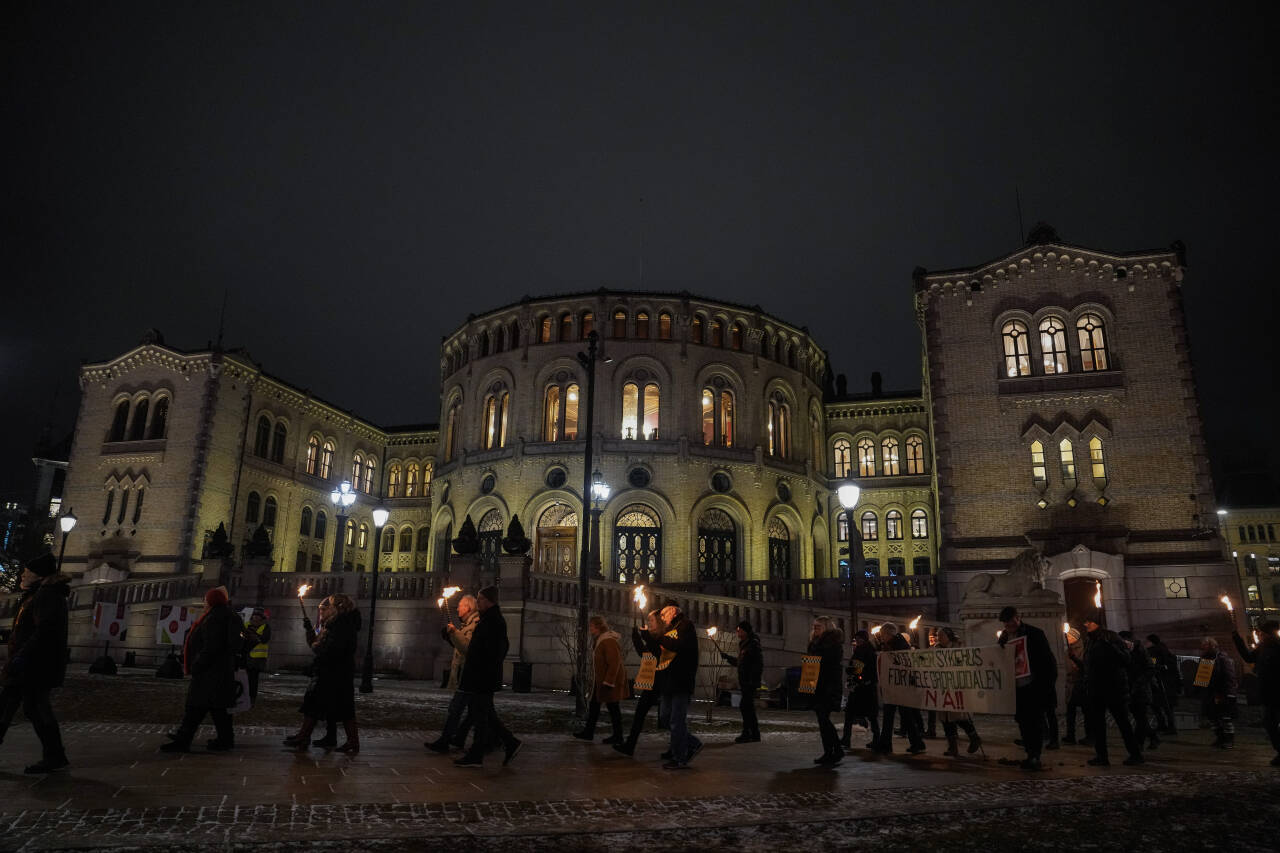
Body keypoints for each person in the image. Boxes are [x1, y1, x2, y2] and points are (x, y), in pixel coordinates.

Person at [0, 553, 71, 774]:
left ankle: (55, 756)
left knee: (9, 708)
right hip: (32, 665)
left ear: (38, 575)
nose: (23, 574)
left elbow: (44, 631)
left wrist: (21, 656)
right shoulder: (39, 594)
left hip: (31, 666)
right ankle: (55, 755)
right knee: (32, 709)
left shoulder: (45, 596)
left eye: (27, 571)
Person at [161, 586, 244, 753]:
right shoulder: (228, 615)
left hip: (210, 671)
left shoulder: (215, 618)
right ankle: (225, 739)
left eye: (206, 600)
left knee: (195, 706)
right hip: (220, 672)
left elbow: (211, 646)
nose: (204, 603)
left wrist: (197, 665)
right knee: (218, 708)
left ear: (212, 601)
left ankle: (184, 739)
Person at [284, 594, 362, 753]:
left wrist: (319, 655)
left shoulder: (341, 624)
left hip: (334, 671)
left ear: (337, 608)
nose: (323, 611)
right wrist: (310, 632)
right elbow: (318, 645)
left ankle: (305, 737)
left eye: (328, 606)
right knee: (326, 705)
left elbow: (331, 648)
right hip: (334, 670)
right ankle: (306, 736)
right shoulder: (335, 623)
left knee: (323, 705)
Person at [454, 586, 522, 767]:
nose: (477, 602)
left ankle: (481, 752)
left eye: (480, 599)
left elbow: (493, 650)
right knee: (484, 714)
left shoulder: (493, 621)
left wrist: (482, 666)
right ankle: (506, 743)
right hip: (481, 675)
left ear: (488, 600)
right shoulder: (488, 620)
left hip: (482, 676)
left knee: (481, 714)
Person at [1072, 609, 1141, 766]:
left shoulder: (1111, 637)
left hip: (1113, 688)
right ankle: (1102, 756)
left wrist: (1111, 647)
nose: (1086, 624)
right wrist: (1076, 660)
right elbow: (1089, 666)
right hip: (1096, 689)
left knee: (1123, 723)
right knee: (1098, 725)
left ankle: (1135, 754)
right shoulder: (1090, 641)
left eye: (1089, 622)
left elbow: (1126, 659)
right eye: (1086, 622)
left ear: (1097, 623)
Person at [998, 606, 1057, 771]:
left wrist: (1046, 686)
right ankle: (1029, 753)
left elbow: (1047, 661)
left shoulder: (1034, 634)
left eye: (1010, 622)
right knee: (1023, 722)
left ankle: (1035, 756)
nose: (1008, 626)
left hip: (1033, 686)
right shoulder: (1004, 637)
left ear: (1018, 618)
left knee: (1035, 722)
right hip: (1017, 688)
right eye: (1005, 623)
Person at [426, 594, 479, 753]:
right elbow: (459, 646)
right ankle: (459, 738)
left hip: (469, 675)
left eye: (460, 606)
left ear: (468, 608)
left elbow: (467, 648)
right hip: (467, 674)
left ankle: (446, 740)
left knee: (457, 709)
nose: (457, 608)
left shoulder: (475, 624)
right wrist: (451, 636)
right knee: (476, 711)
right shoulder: (468, 624)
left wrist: (454, 632)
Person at [613, 609, 667, 757]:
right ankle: (630, 745)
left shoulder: (664, 637)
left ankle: (681, 747)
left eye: (652, 621)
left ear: (660, 623)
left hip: (662, 682)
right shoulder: (654, 637)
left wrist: (647, 637)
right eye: (648, 620)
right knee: (640, 713)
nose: (649, 623)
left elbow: (658, 654)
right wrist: (636, 638)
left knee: (670, 719)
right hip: (652, 682)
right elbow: (645, 654)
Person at [655, 604, 702, 770]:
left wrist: (659, 636)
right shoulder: (670, 629)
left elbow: (677, 646)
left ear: (673, 612)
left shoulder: (685, 626)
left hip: (681, 681)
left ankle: (679, 757)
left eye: (663, 615)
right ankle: (692, 743)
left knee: (676, 720)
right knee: (665, 717)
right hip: (669, 681)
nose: (662, 618)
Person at [870, 622, 925, 755]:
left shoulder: (900, 646)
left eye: (883, 635)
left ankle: (915, 743)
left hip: (901, 687)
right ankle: (888, 743)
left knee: (904, 715)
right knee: (891, 715)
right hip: (893, 686)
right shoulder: (891, 645)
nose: (881, 638)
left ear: (889, 634)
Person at [574, 616, 630, 743]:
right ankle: (590, 732)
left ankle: (617, 736)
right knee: (596, 705)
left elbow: (614, 662)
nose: (590, 629)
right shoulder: (600, 640)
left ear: (598, 627)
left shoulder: (608, 641)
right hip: (600, 682)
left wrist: (609, 681)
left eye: (592, 626)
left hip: (608, 682)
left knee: (613, 707)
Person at [1232, 620, 1279, 765]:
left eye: (1262, 633)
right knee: (1270, 724)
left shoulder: (1277, 648)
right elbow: (1248, 657)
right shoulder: (1262, 648)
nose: (1259, 635)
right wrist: (1237, 638)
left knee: (1272, 723)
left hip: (1277, 692)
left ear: (1268, 634)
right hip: (1268, 693)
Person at [934, 627, 982, 756]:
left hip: (957, 687)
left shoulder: (959, 647)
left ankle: (974, 738)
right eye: (938, 636)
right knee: (945, 719)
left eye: (941, 635)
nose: (939, 638)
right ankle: (952, 746)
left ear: (949, 636)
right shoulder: (935, 649)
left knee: (959, 716)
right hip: (942, 688)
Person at [807, 616, 844, 765]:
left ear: (826, 628)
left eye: (818, 626)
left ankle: (836, 750)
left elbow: (830, 665)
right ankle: (829, 751)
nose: (815, 629)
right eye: (814, 626)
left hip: (828, 686)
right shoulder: (815, 643)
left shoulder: (832, 644)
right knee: (822, 720)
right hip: (818, 685)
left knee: (824, 718)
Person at [721, 620, 763, 743]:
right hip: (745, 681)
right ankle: (755, 734)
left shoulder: (753, 644)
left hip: (749, 682)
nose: (737, 632)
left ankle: (747, 733)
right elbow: (740, 663)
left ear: (745, 631)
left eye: (739, 630)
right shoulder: (744, 644)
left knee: (745, 706)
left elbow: (758, 664)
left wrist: (752, 680)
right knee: (748, 707)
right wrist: (728, 658)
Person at [1119, 630, 1159, 750]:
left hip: (1141, 690)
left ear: (1130, 641)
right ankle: (1153, 737)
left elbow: (1150, 669)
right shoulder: (1124, 651)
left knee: (1140, 718)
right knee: (1139, 717)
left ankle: (1138, 744)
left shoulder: (1141, 651)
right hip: (1130, 690)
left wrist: (1139, 682)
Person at [840, 629, 878, 749]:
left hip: (861, 688)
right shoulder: (870, 650)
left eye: (857, 639)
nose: (856, 641)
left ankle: (846, 739)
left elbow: (857, 668)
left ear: (862, 639)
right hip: (867, 687)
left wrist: (850, 670)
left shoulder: (862, 651)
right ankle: (877, 738)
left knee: (850, 713)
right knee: (871, 715)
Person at [1199, 636, 1237, 750]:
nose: (1203, 647)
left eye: (1206, 645)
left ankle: (1229, 740)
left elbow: (1229, 676)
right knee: (1213, 717)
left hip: (1221, 692)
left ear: (1212, 646)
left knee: (1225, 717)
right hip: (1209, 693)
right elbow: (1202, 677)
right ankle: (1220, 738)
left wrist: (1229, 693)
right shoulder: (1205, 659)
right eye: (1203, 645)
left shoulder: (1221, 659)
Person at [1146, 634, 1180, 734]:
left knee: (1163, 706)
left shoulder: (1155, 652)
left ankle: (1169, 727)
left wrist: (1158, 667)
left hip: (1161, 683)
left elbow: (1155, 666)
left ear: (1151, 642)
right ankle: (1166, 725)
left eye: (1147, 641)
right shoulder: (1163, 651)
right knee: (1163, 706)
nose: (1146, 643)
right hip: (1163, 683)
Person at [1061, 626, 1089, 745]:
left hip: (1081, 684)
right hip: (1071, 684)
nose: (1068, 638)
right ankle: (1070, 735)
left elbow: (1084, 667)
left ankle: (1090, 735)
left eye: (1070, 637)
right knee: (1070, 711)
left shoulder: (1084, 649)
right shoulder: (1067, 650)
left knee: (1086, 711)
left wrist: (1075, 660)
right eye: (1067, 636)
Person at [241, 607, 271, 703]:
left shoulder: (265, 627)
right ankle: (244, 696)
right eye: (254, 615)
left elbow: (265, 639)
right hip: (246, 656)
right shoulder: (246, 625)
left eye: (258, 616)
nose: (256, 618)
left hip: (258, 658)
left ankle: (251, 698)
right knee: (244, 678)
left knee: (253, 679)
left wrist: (253, 635)